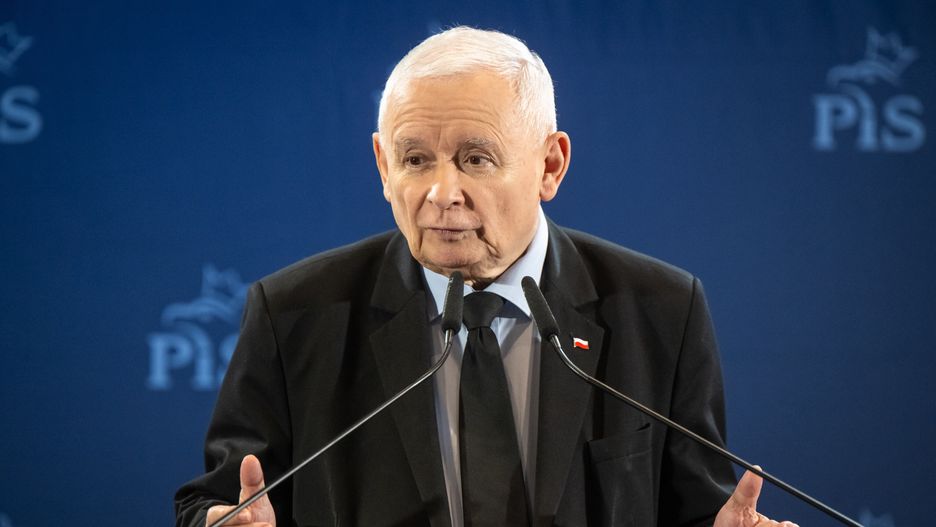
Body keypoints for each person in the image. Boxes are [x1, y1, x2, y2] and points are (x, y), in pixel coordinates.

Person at [176, 26, 798, 527]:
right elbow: (218, 502)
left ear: (549, 165)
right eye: (415, 159)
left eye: (476, 158)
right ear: (383, 167)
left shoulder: (661, 310)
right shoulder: (294, 315)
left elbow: (696, 508)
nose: (442, 193)